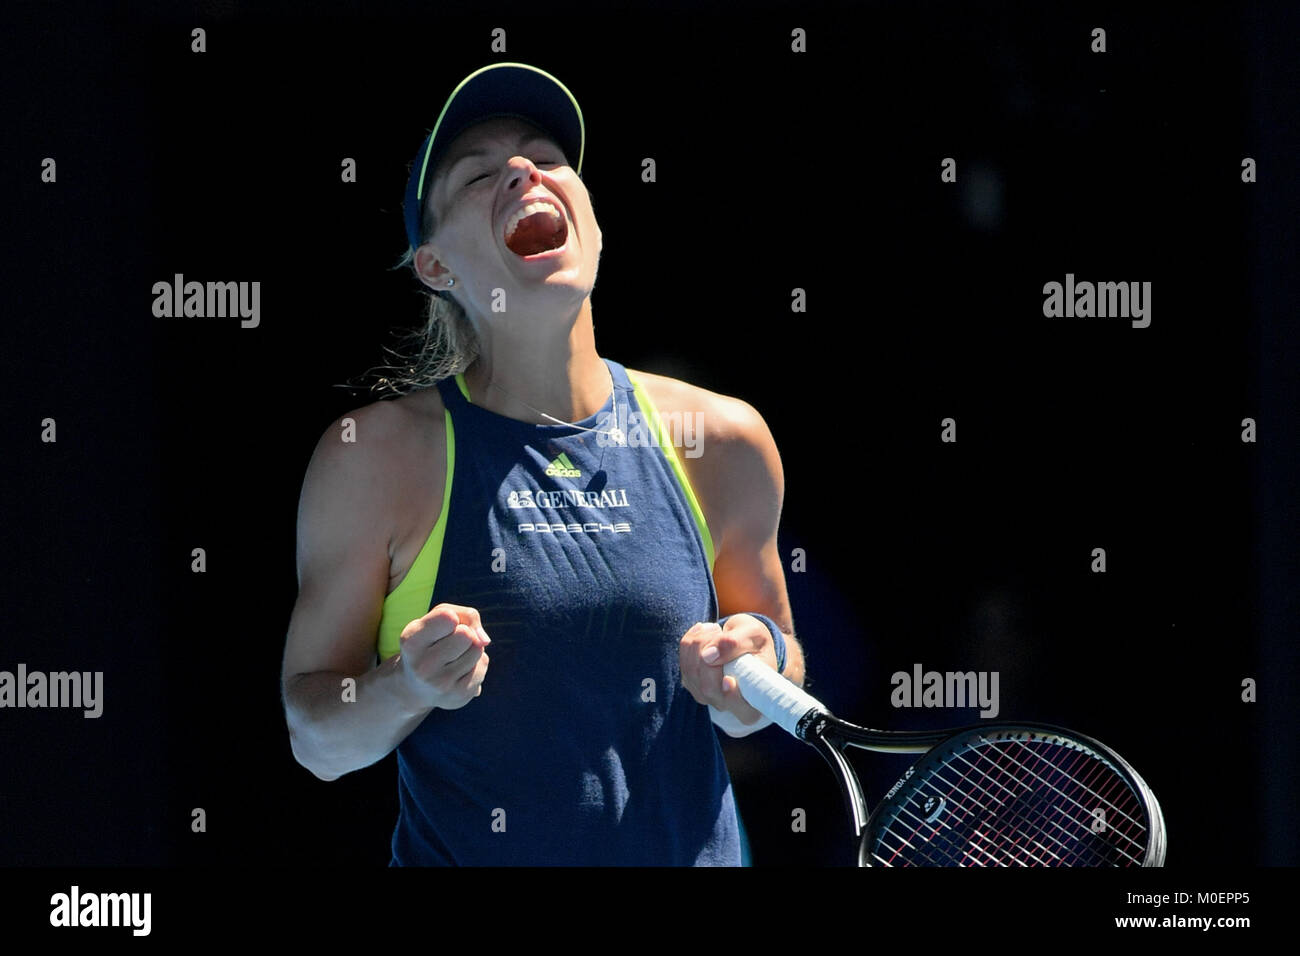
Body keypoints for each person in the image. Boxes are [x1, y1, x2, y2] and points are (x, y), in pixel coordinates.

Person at [280, 62, 804, 865]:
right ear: (436, 268)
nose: (523, 171)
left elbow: (772, 680)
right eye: (479, 176)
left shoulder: (724, 439)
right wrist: (406, 686)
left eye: (546, 157)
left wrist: (753, 666)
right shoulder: (374, 459)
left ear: (592, 218)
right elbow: (318, 739)